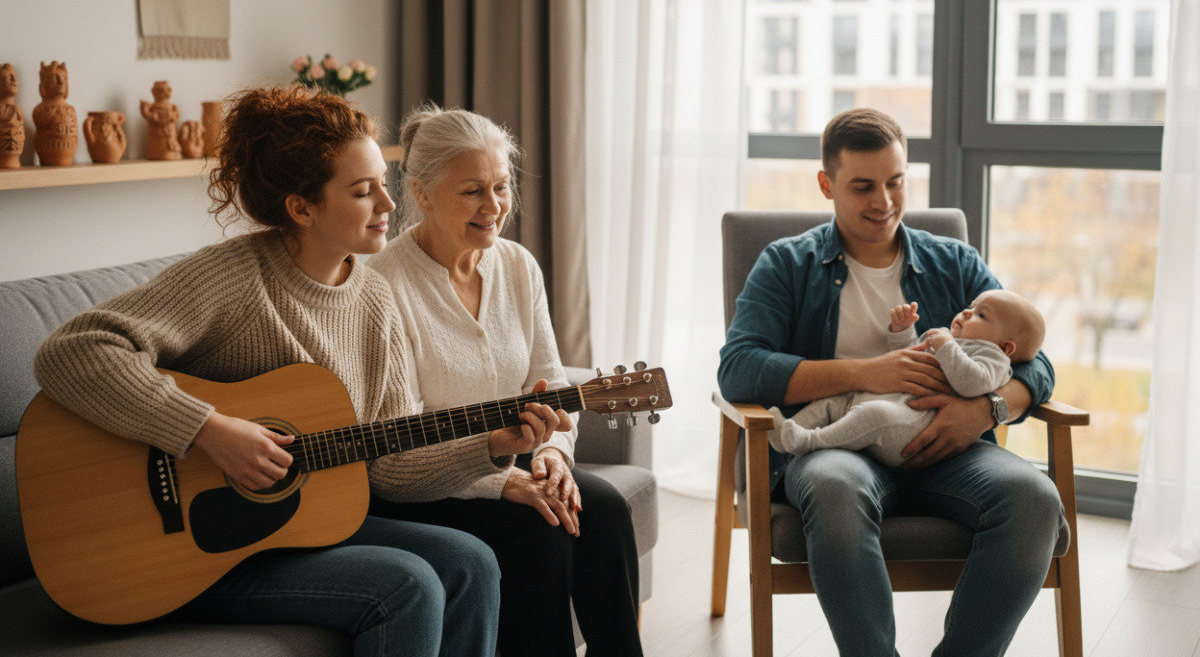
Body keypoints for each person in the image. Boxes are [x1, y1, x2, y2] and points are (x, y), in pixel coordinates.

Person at [32, 85, 570, 656]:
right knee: (408, 586)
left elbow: (389, 470)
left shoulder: (374, 301)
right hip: (178, 550)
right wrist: (207, 429)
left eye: (383, 187)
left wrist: (489, 445)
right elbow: (72, 350)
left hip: (294, 529)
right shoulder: (231, 280)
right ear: (302, 207)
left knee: (471, 563)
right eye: (364, 192)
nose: (389, 207)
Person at [718, 107, 1064, 657]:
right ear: (827, 184)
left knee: (1035, 500)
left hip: (945, 444)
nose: (884, 202)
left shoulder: (953, 262)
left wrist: (987, 411)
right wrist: (866, 373)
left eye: (895, 182)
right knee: (833, 488)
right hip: (840, 446)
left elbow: (1034, 362)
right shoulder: (787, 263)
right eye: (863, 187)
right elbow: (738, 368)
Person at [368, 103, 644, 657]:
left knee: (605, 508)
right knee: (540, 535)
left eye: (500, 186)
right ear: (421, 192)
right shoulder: (381, 288)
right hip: (425, 487)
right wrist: (502, 480)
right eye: (473, 190)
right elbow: (397, 450)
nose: (493, 206)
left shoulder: (518, 265)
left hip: (514, 464)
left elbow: (549, 381)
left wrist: (553, 460)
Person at [767, 289, 1046, 468]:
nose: (966, 312)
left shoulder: (994, 358)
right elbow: (908, 358)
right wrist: (903, 333)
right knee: (836, 401)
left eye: (981, 315)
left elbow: (972, 383)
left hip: (911, 429)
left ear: (1007, 347)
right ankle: (787, 435)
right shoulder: (949, 338)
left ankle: (809, 441)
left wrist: (947, 345)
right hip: (893, 404)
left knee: (873, 414)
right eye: (971, 306)